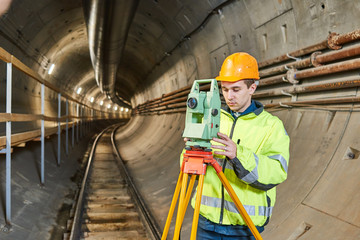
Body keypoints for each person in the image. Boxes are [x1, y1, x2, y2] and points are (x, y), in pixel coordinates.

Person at [187, 52, 290, 239]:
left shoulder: (271, 126)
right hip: (205, 223)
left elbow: (276, 172)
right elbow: (188, 170)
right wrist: (193, 150)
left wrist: (237, 154)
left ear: (252, 88)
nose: (229, 96)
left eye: (235, 89)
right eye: (225, 90)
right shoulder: (211, 118)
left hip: (243, 226)